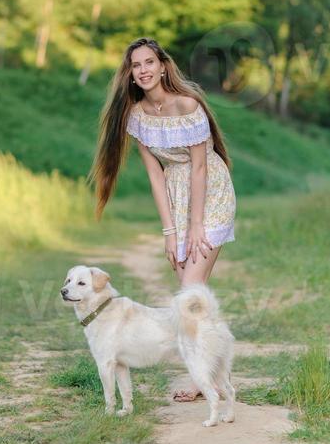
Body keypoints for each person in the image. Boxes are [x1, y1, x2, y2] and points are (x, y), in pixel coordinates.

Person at [87, 36, 237, 402]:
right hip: (176, 195)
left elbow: (200, 166)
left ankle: (204, 381)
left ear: (163, 65)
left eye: (149, 63)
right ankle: (214, 377)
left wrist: (197, 226)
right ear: (131, 74)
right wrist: (171, 232)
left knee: (189, 294)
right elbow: (156, 174)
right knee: (192, 297)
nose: (143, 70)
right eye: (136, 66)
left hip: (210, 193)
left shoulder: (187, 104)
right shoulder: (136, 115)